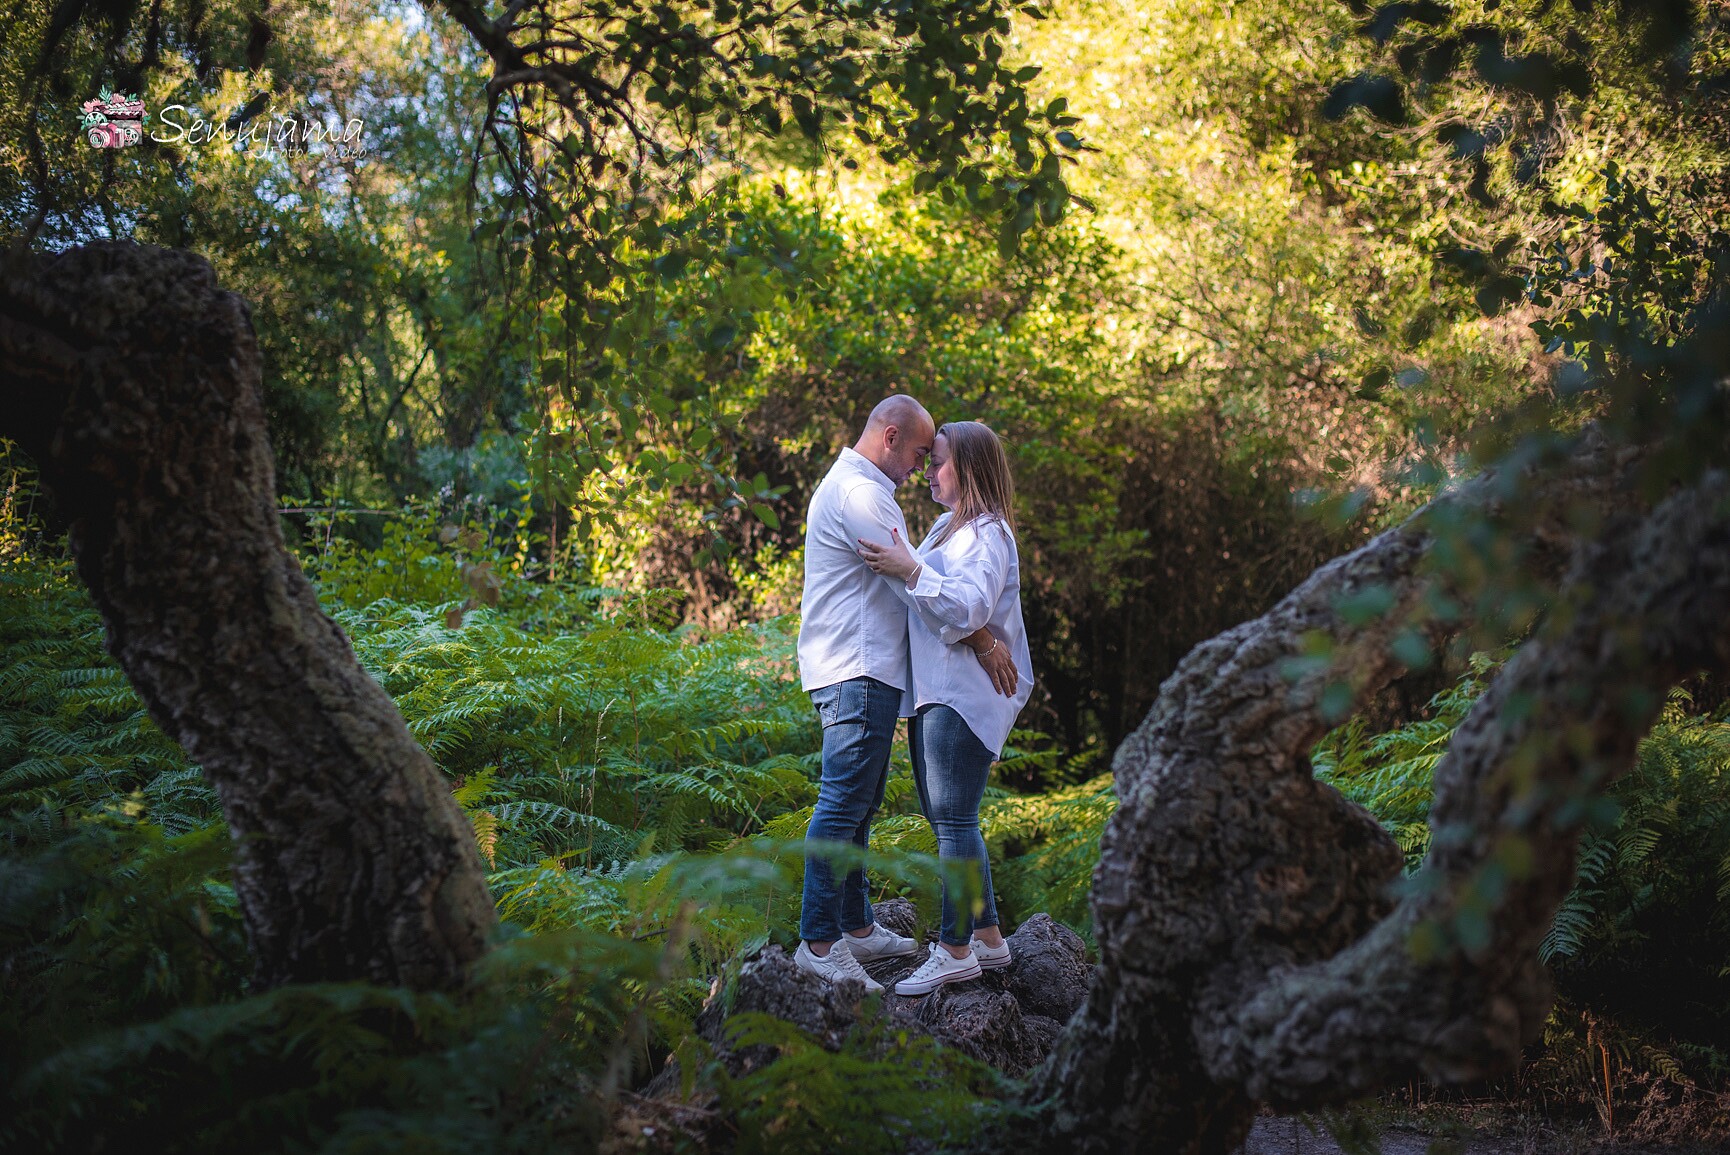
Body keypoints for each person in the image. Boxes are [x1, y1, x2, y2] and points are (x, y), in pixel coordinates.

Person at [794, 397, 1017, 993]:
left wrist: (983, 636)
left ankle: (907, 936)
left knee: (900, 810)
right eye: (922, 454)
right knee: (851, 804)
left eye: (934, 460)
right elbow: (917, 585)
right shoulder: (865, 497)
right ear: (890, 437)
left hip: (925, 686)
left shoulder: (974, 529)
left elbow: (933, 587)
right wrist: (983, 640)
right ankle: (823, 942)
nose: (923, 469)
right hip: (864, 668)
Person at [857, 420, 1033, 996]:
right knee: (951, 821)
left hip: (962, 696)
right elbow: (929, 602)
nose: (927, 473)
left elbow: (968, 607)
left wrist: (910, 568)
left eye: (937, 462)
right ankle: (987, 937)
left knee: (954, 822)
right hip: (935, 691)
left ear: (970, 469)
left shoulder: (987, 534)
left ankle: (954, 951)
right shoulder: (943, 528)